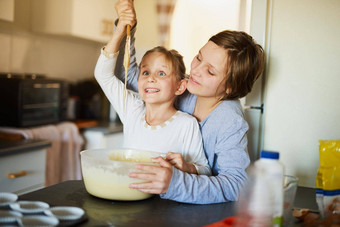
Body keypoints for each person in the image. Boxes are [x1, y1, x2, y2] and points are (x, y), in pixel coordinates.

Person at [114, 0, 265, 204]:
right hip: (151, 201)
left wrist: (177, 182)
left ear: (231, 88)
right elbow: (127, 76)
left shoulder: (230, 120)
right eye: (198, 57)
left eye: (210, 71)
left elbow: (237, 185)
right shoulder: (184, 87)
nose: (195, 70)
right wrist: (125, 26)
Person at [94, 9, 211, 176]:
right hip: (131, 193)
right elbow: (103, 75)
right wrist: (120, 29)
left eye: (161, 73)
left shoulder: (186, 124)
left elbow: (205, 169)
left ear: (180, 87)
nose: (151, 78)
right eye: (146, 72)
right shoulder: (132, 110)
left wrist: (188, 167)